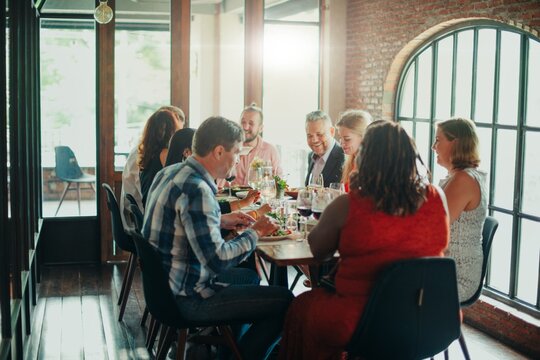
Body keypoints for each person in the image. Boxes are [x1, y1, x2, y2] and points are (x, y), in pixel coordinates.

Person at [279, 120, 450, 359]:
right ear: (412, 155)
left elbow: (319, 252)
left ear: (365, 158)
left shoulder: (349, 204)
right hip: (428, 316)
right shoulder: (436, 196)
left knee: (301, 307)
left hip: (364, 319)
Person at [142, 116, 293, 360]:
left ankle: (228, 347)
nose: (239, 159)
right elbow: (218, 260)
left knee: (250, 276)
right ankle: (241, 355)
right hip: (188, 297)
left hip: (162, 289)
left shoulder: (170, 172)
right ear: (219, 151)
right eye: (236, 152)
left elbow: (179, 221)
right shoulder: (197, 190)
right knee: (285, 301)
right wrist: (257, 232)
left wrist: (221, 220)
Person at [432, 117, 487, 302]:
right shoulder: (458, 177)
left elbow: (435, 229)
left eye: (438, 140)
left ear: (455, 143)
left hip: (456, 276)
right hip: (444, 265)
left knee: (388, 277)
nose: (433, 147)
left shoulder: (463, 180)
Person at [165, 128, 272, 220]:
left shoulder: (166, 173)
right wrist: (256, 221)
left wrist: (243, 204)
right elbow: (213, 243)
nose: (237, 160)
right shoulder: (195, 185)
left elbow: (205, 215)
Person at [120, 106, 184, 229]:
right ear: (170, 131)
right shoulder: (164, 154)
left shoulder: (146, 152)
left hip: (140, 216)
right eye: (178, 131)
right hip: (143, 220)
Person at [229, 103, 283, 186]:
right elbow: (219, 183)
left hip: (260, 198)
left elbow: (279, 184)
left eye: (251, 123)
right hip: (232, 198)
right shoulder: (229, 148)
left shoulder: (270, 151)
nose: (245, 127)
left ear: (261, 128)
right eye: (243, 122)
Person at [138, 108, 181, 206]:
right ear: (172, 131)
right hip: (159, 211)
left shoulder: (148, 153)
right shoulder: (165, 154)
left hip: (149, 207)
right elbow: (179, 184)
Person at [304, 110, 345, 188]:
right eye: (309, 136)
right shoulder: (311, 156)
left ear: (332, 132)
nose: (314, 140)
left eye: (319, 134)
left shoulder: (343, 156)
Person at [336, 109, 372, 192]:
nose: (341, 143)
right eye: (340, 138)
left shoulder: (369, 166)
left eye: (347, 139)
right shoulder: (351, 161)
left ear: (363, 137)